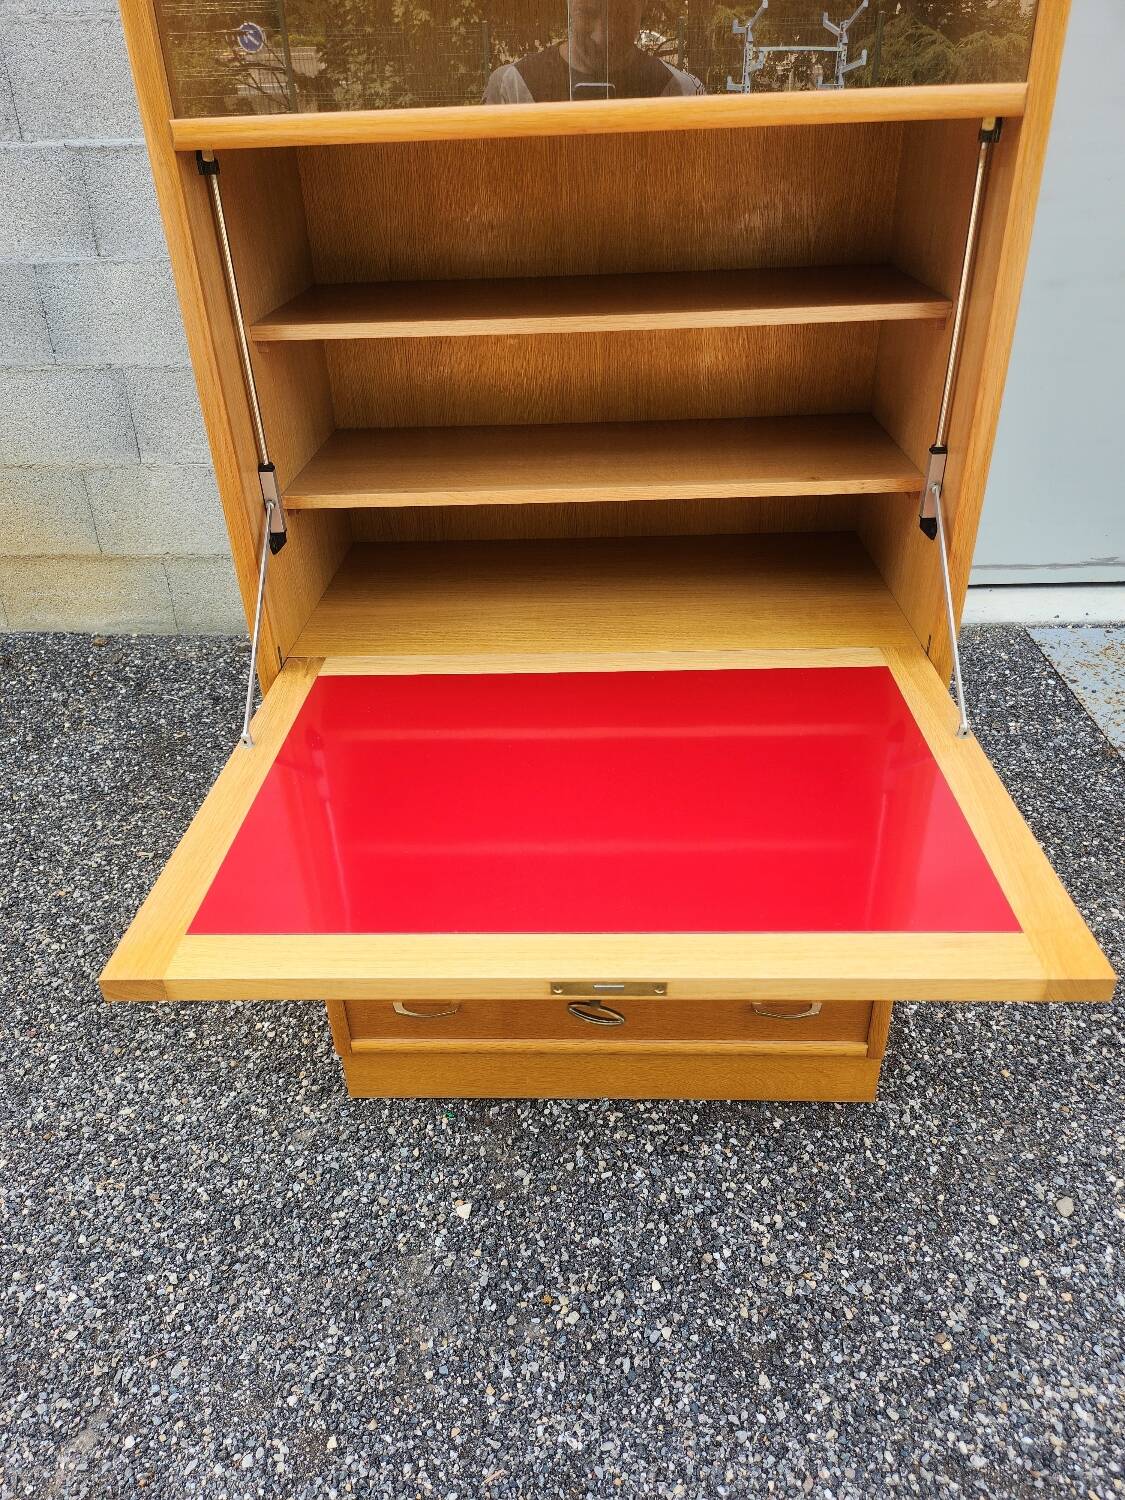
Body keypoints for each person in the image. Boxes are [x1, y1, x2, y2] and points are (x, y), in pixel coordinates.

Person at [483, 0, 704, 103]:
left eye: (621, 15)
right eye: (587, 13)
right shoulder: (681, 92)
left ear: (643, 5)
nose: (602, 36)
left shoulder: (514, 87)